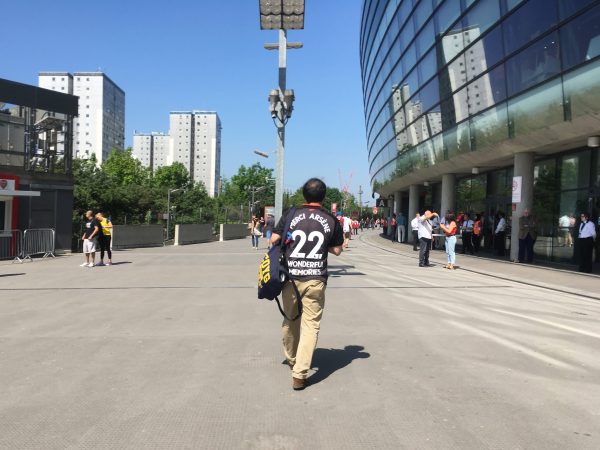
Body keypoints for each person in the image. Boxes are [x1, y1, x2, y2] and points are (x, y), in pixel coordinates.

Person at [270, 178, 344, 391]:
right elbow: (337, 250)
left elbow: (273, 239)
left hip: (290, 278)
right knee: (310, 325)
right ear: (323, 196)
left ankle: (292, 358)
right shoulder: (331, 219)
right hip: (315, 279)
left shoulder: (291, 214)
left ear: (304, 194)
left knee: (290, 318)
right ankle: (300, 374)